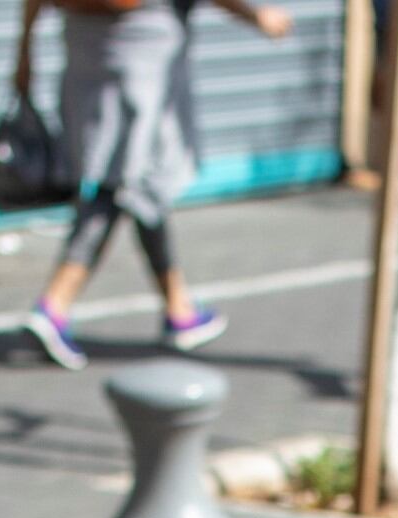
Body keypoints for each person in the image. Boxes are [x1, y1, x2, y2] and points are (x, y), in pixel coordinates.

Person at [20, 0, 298, 367]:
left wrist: (24, 50)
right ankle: (54, 305)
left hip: (85, 46)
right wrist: (254, 15)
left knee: (135, 183)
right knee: (126, 184)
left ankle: (178, 308)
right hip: (144, 52)